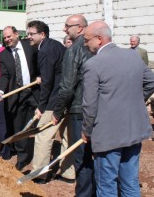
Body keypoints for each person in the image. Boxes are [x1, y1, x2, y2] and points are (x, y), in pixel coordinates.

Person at [82, 20, 154, 197]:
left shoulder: (93, 64)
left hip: (108, 134)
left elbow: (89, 105)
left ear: (99, 39)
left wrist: (86, 130)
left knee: (107, 185)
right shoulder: (133, 56)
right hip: (133, 129)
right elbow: (151, 81)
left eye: (86, 39)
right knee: (130, 183)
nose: (84, 44)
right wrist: (136, 99)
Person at [51, 14, 95, 195]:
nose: (64, 29)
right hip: (97, 109)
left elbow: (67, 86)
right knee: (97, 156)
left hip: (79, 111)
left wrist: (57, 111)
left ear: (80, 28)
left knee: (82, 157)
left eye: (67, 26)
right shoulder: (96, 48)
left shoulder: (74, 50)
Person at [26, 20, 66, 181]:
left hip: (54, 100)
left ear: (42, 34)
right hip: (66, 97)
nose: (28, 36)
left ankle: (40, 174)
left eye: (31, 34)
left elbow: (48, 82)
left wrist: (41, 106)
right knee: (66, 137)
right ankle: (68, 173)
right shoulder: (56, 45)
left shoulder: (46, 50)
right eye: (27, 33)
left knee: (43, 136)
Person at [0, 26, 40, 169]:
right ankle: (22, 157)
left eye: (9, 36)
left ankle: (38, 156)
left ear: (16, 34)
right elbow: (4, 76)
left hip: (34, 91)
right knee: (19, 127)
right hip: (17, 94)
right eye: (5, 38)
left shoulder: (30, 45)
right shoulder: (3, 55)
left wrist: (41, 75)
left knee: (36, 125)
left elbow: (39, 62)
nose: (7, 39)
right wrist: (0, 91)